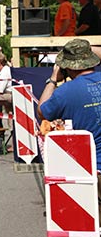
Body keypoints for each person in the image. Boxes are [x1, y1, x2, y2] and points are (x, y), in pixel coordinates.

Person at [38, 39, 101, 171]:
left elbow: (42, 112)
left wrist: (53, 80)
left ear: (67, 67)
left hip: (92, 167)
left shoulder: (65, 92)